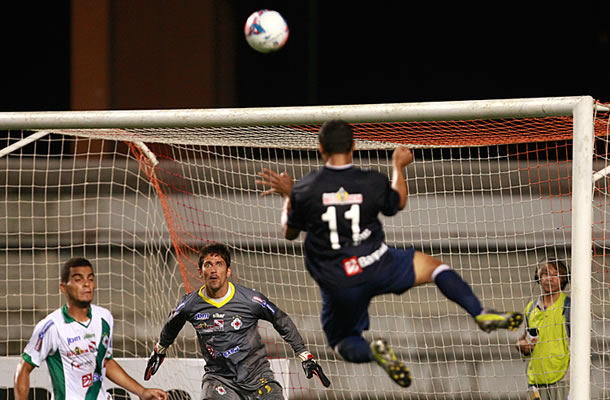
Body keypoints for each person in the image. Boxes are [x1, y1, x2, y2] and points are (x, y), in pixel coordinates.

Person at [256, 119, 524, 388]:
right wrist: (397, 165)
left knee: (341, 342)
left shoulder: (305, 189)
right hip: (377, 264)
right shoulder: (371, 180)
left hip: (339, 281)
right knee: (436, 269)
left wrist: (289, 195)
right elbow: (399, 201)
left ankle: (375, 352)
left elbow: (289, 233)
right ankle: (479, 312)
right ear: (354, 146)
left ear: (320, 148)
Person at [144, 242, 330, 399]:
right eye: (208, 265)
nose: (213, 270)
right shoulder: (190, 304)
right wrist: (160, 349)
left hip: (257, 376)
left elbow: (281, 320)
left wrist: (303, 354)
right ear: (200, 272)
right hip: (219, 378)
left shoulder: (250, 300)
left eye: (219, 264)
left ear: (228, 270)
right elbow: (172, 324)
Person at [13, 257, 168, 400]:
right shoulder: (51, 327)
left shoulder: (104, 318)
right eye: (78, 279)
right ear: (63, 287)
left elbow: (105, 362)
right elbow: (24, 368)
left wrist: (142, 392)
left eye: (91, 279)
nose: (86, 284)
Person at [516, 258, 571, 399]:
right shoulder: (531, 308)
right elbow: (524, 338)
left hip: (562, 379)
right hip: (536, 380)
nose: (549, 279)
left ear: (564, 279)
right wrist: (521, 345)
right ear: (539, 277)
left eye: (555, 274)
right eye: (546, 273)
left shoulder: (569, 306)